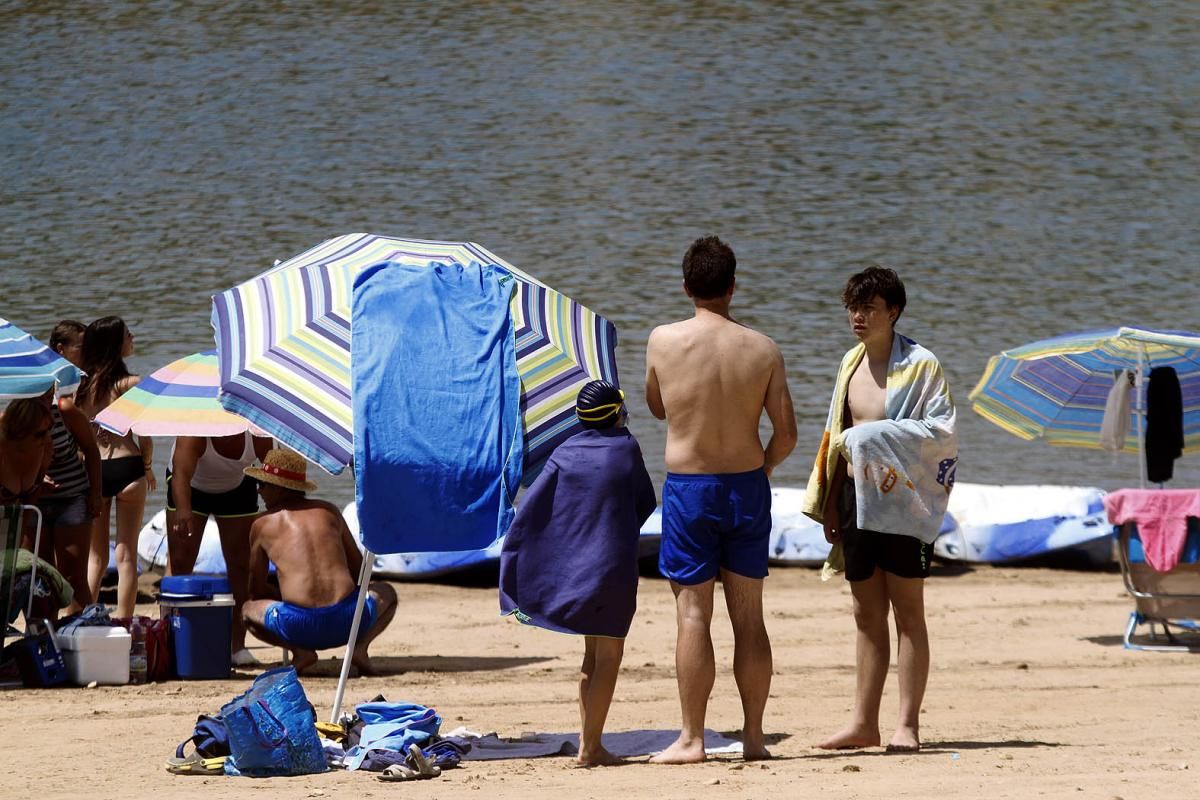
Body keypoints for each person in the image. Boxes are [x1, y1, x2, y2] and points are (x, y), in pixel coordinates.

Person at [644, 235, 797, 764]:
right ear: (733, 286)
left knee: (692, 615)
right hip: (746, 486)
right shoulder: (763, 348)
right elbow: (787, 433)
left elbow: (657, 407)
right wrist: (766, 467)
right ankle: (754, 738)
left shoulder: (663, 340)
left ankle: (692, 739)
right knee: (749, 617)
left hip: (690, 490)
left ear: (686, 286)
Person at [801, 265, 957, 753]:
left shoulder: (922, 364)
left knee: (908, 612)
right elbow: (836, 439)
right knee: (866, 614)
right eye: (853, 306)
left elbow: (942, 433)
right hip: (854, 501)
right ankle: (863, 722)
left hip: (904, 503)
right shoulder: (849, 363)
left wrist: (869, 436)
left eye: (868, 308)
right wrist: (829, 501)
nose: (857, 316)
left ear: (893, 311)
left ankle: (907, 725)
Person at [499, 381, 657, 766]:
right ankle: (591, 747)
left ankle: (591, 740)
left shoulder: (565, 451)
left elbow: (535, 510)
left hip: (580, 568)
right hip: (613, 567)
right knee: (610, 656)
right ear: (618, 415)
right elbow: (645, 503)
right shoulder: (626, 448)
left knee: (591, 656)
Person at [242, 449, 397, 676]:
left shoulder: (262, 524)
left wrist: (280, 594)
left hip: (298, 625)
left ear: (279, 487)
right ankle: (359, 648)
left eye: (263, 485)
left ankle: (301, 651)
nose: (259, 490)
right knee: (388, 592)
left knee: (247, 610)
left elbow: (255, 588)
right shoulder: (329, 511)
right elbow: (359, 571)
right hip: (349, 621)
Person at [166, 433, 273, 666]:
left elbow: (273, 471)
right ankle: (171, 638)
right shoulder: (195, 433)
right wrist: (183, 510)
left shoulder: (255, 433)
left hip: (238, 486)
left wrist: (280, 511)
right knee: (180, 563)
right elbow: (180, 473)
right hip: (189, 487)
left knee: (241, 566)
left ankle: (237, 645)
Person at [75, 316, 154, 617]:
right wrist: (147, 467)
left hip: (93, 472)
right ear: (114, 344)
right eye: (127, 334)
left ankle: (84, 620)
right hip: (127, 467)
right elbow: (145, 438)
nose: (132, 337)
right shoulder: (131, 384)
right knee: (126, 555)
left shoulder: (80, 385)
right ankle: (124, 625)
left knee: (96, 557)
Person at [32, 385, 103, 615]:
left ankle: (82, 635)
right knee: (38, 580)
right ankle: (42, 641)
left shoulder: (64, 409)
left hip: (72, 498)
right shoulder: (15, 417)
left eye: (47, 389)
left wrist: (95, 494)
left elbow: (92, 450)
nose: (44, 394)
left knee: (73, 578)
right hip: (34, 501)